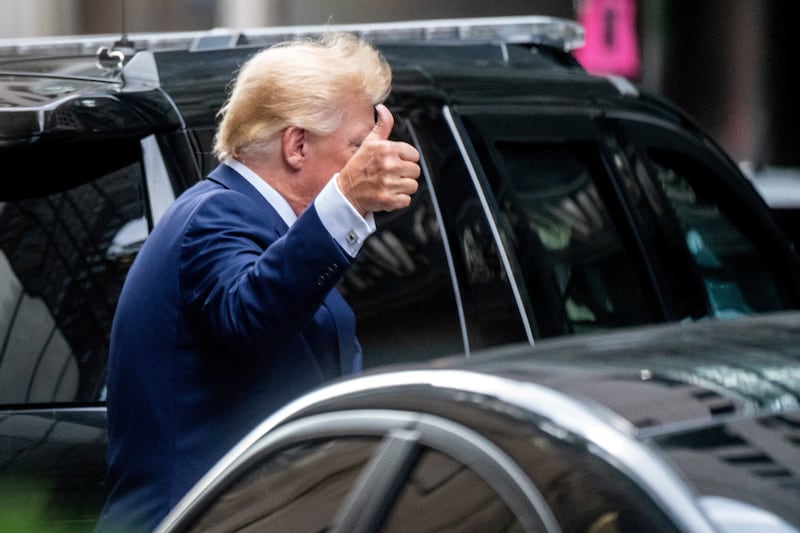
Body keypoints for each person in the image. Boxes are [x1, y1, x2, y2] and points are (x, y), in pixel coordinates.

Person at [95, 32, 420, 532]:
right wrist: (347, 200)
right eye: (356, 146)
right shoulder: (214, 213)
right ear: (296, 145)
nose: (367, 160)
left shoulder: (258, 222)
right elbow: (249, 314)